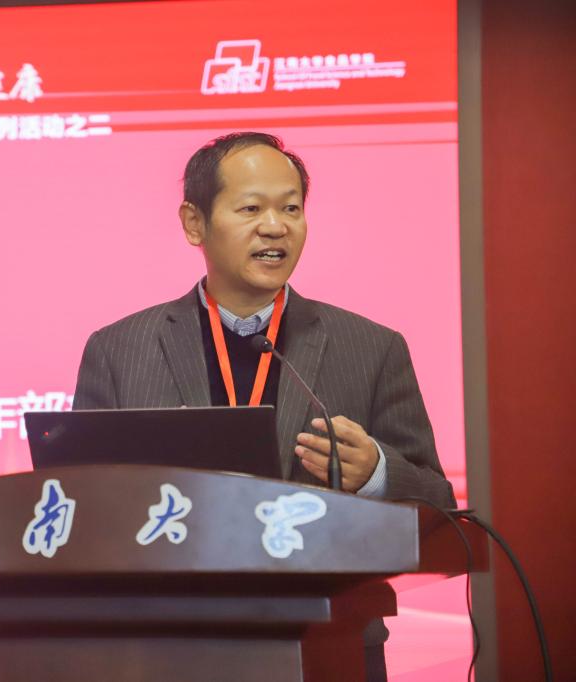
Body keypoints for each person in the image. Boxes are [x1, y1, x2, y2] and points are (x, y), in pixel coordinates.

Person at [72, 131, 456, 681]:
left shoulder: (371, 348)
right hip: (162, 650)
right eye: (251, 208)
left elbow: (441, 505)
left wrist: (376, 473)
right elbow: (78, 510)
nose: (275, 227)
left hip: (328, 645)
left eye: (291, 209)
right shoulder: (118, 351)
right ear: (194, 223)